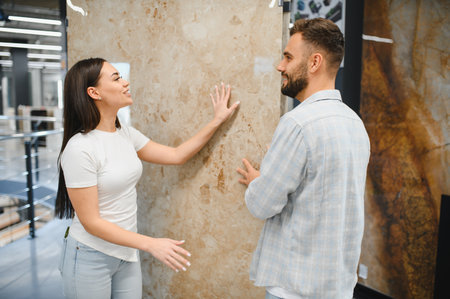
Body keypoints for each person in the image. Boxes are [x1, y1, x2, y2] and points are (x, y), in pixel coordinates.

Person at [55, 57, 239, 299]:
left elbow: (177, 155)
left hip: (127, 254)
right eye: (116, 78)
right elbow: (91, 222)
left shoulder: (126, 135)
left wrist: (217, 120)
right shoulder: (80, 148)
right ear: (94, 92)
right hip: (90, 255)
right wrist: (150, 243)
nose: (125, 82)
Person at [237, 18, 370, 299]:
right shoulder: (355, 124)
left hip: (294, 290)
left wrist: (257, 182)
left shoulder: (297, 124)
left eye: (287, 57)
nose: (279, 66)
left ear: (314, 62)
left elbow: (262, 204)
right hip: (339, 289)